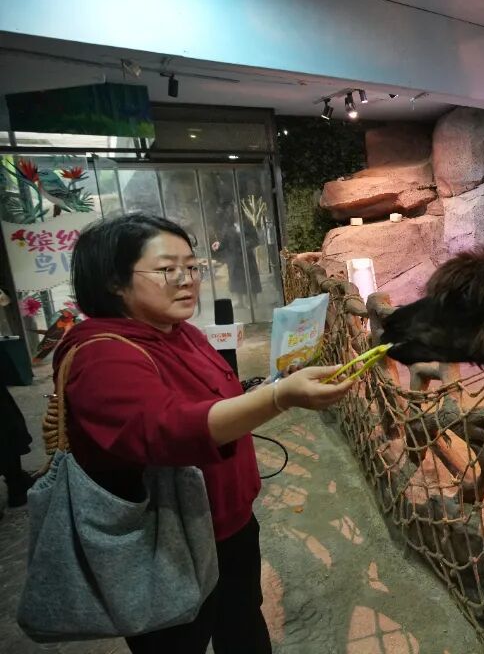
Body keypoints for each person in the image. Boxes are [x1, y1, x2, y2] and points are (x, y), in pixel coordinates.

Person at [55, 213, 354, 654]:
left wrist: (278, 383)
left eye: (192, 267)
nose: (187, 280)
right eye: (166, 269)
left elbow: (221, 399)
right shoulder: (100, 356)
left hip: (230, 523)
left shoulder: (183, 334)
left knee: (242, 622)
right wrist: (279, 398)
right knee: (176, 642)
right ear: (114, 282)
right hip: (164, 542)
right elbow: (167, 429)